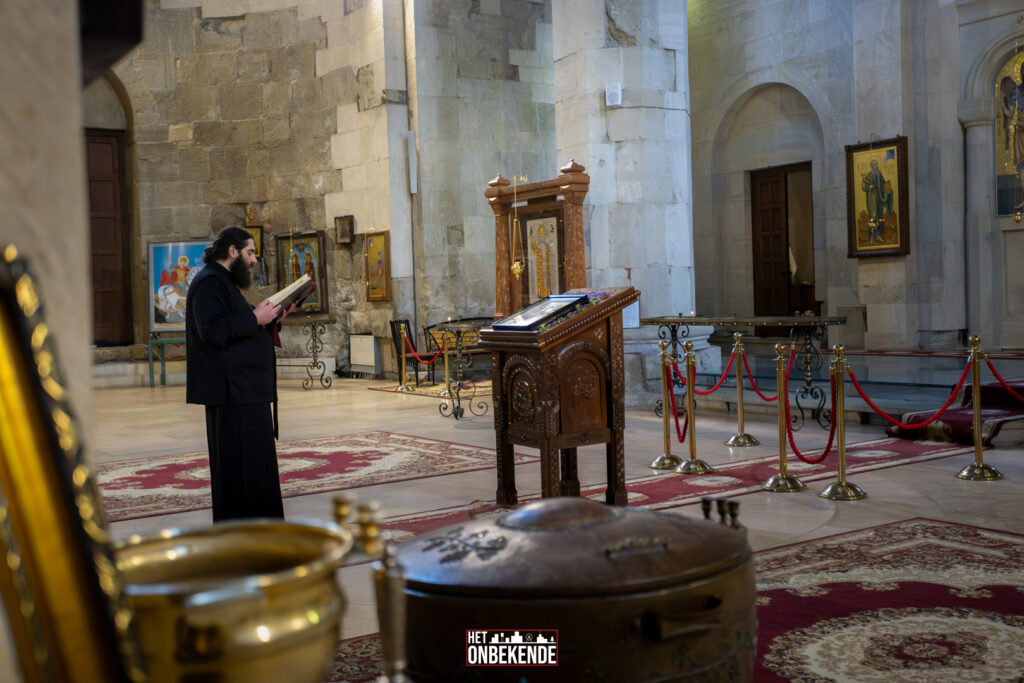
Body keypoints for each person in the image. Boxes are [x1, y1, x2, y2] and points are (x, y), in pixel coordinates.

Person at [185, 226, 294, 521]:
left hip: (244, 391)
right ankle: (245, 531)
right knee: (239, 470)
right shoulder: (209, 283)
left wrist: (271, 318)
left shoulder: (223, 282)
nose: (254, 260)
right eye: (250, 252)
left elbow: (239, 326)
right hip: (231, 394)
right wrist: (255, 317)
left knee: (255, 467)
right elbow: (212, 331)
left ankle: (260, 529)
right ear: (232, 251)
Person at [861, 158, 892, 244]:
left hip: (879, 199)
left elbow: (884, 184)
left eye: (877, 164)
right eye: (874, 164)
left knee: (880, 217)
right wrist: (870, 187)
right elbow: (864, 187)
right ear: (871, 166)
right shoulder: (868, 176)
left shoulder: (879, 174)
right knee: (872, 218)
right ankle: (871, 237)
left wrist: (888, 189)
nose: (876, 166)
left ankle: (878, 236)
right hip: (872, 201)